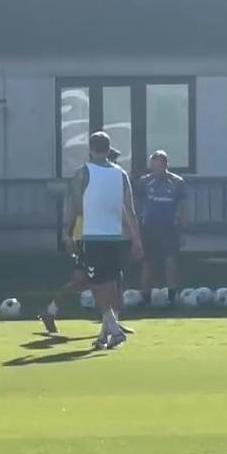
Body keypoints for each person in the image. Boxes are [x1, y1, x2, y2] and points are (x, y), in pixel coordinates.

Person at [39, 148, 134, 335]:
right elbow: (78, 208)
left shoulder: (108, 179)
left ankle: (111, 320)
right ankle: (109, 321)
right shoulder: (88, 178)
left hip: (100, 235)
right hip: (86, 235)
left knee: (103, 278)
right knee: (87, 280)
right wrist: (71, 235)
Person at [67, 132, 143, 350]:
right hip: (114, 236)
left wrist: (70, 233)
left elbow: (76, 207)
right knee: (109, 283)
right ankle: (103, 335)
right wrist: (137, 239)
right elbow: (130, 210)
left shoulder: (83, 173)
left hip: (92, 235)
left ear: (90, 148)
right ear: (109, 149)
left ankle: (114, 329)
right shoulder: (121, 174)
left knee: (94, 283)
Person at [136, 150, 187, 306]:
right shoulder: (144, 182)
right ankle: (145, 297)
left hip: (169, 227)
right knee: (147, 263)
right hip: (149, 227)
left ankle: (172, 296)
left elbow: (183, 207)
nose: (155, 169)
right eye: (153, 166)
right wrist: (135, 231)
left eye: (158, 166)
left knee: (170, 262)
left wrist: (183, 230)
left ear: (165, 165)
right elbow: (136, 205)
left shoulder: (177, 182)